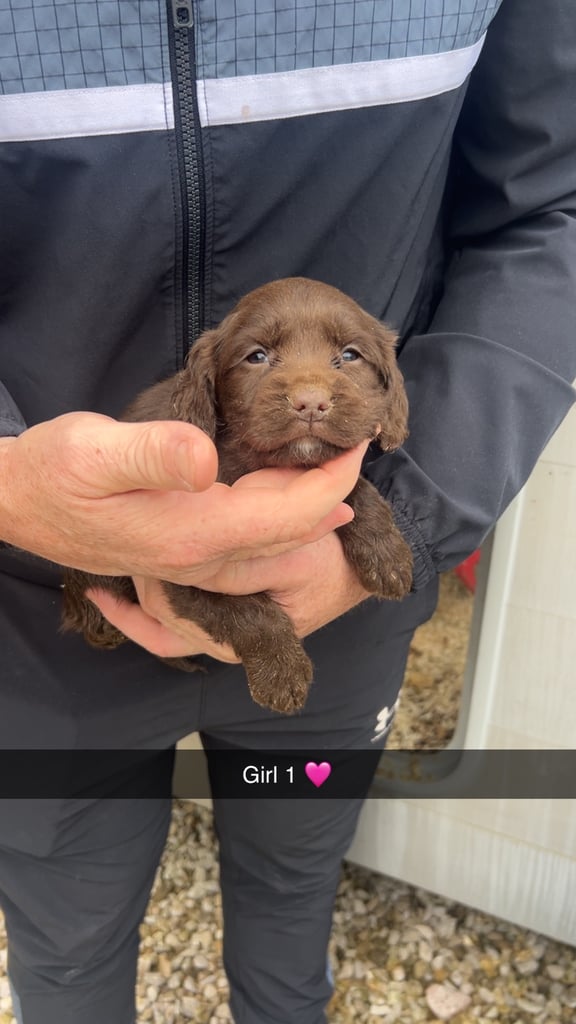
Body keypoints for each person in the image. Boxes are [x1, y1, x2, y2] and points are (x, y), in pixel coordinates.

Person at [0, 1, 574, 1021]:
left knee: (287, 901)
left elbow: (552, 204)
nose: (306, 385)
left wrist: (409, 507)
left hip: (336, 620)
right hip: (42, 615)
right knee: (70, 954)